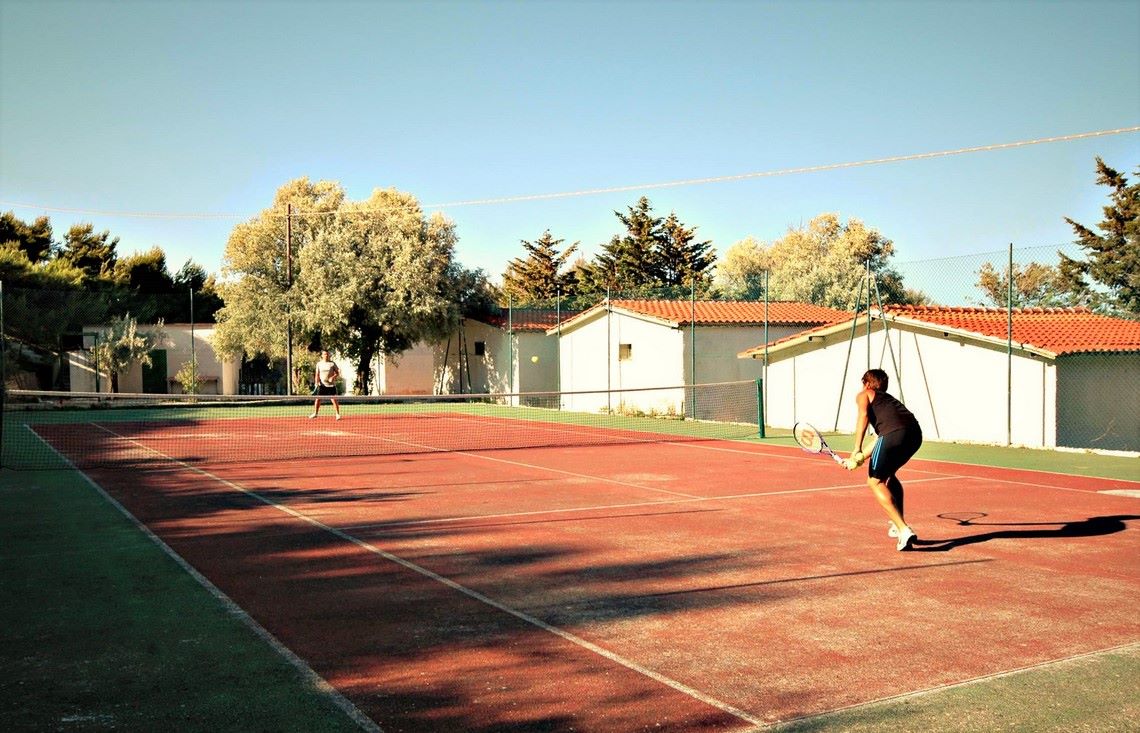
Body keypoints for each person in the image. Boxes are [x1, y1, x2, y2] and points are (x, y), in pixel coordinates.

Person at [848, 368, 922, 551]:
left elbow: (863, 417)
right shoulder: (888, 403)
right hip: (914, 435)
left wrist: (856, 448)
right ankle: (899, 526)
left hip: (893, 435)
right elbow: (880, 440)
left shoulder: (864, 394)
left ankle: (903, 529)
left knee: (874, 482)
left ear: (866, 383)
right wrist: (859, 459)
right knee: (889, 475)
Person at [310, 350, 342, 420]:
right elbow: (317, 374)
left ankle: (337, 414)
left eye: (327, 354)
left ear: (329, 355)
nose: (326, 355)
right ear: (322, 355)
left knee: (334, 400)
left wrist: (332, 377)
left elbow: (337, 373)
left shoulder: (332, 364)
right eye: (324, 354)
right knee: (318, 399)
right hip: (322, 385)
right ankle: (315, 413)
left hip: (331, 385)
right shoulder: (319, 364)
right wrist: (316, 382)